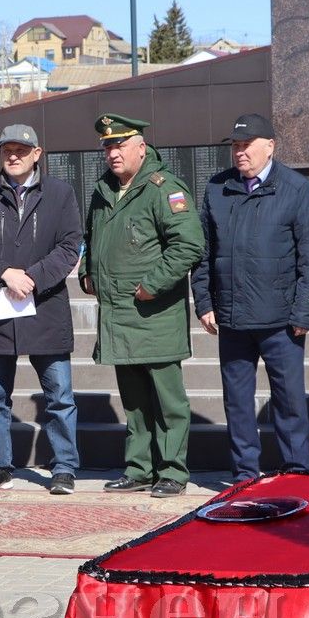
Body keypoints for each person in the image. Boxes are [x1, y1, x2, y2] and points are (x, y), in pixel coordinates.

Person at [191, 113, 309, 482]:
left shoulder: (297, 190)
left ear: (270, 146)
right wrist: (204, 303)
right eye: (235, 146)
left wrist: (304, 313)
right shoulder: (217, 188)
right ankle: (244, 475)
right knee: (237, 403)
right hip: (232, 319)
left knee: (289, 401)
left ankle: (297, 471)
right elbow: (203, 253)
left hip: (281, 321)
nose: (239, 153)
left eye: (246, 145)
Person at [80, 114, 205, 498]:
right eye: (107, 146)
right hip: (118, 315)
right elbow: (92, 238)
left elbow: (188, 245)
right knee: (134, 401)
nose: (112, 153)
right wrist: (89, 272)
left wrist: (152, 285)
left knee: (167, 400)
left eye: (119, 145)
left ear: (141, 147)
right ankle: (139, 469)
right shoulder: (104, 190)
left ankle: (172, 471)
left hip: (153, 314)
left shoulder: (163, 188)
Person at [0, 124, 82, 495]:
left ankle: (63, 467)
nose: (13, 156)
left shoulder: (60, 194)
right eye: (6, 150)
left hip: (44, 307)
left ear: (37, 153)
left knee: (59, 398)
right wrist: (4, 274)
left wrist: (31, 278)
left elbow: (69, 244)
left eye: (21, 149)